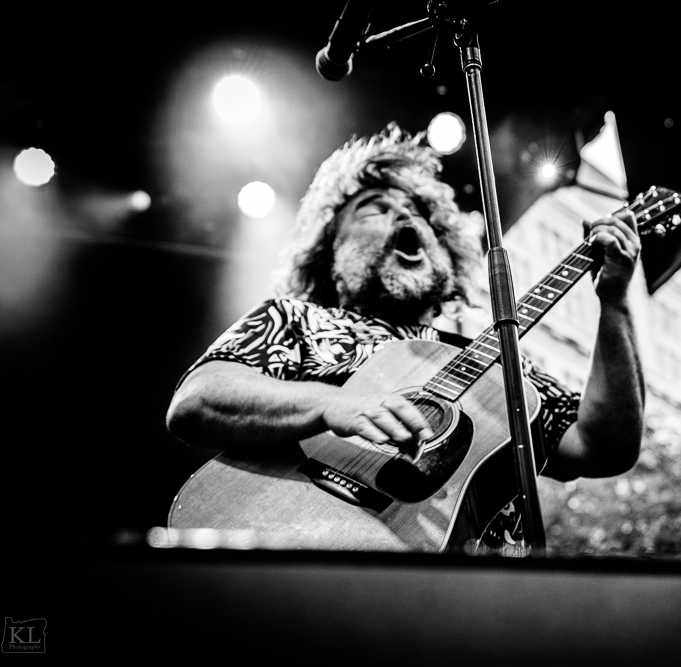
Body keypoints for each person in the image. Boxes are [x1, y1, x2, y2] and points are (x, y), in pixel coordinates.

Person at [166, 123, 644, 552]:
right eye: (376, 209)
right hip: (278, 538)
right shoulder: (295, 318)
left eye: (416, 211)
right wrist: (333, 406)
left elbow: (601, 445)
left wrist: (616, 302)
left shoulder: (504, 366)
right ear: (331, 249)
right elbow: (197, 400)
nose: (405, 217)